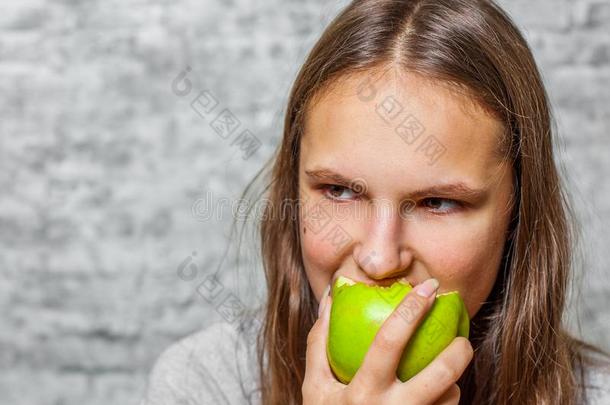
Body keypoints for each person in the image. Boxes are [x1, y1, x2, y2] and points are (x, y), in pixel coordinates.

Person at [140, 0, 610, 404]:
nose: (381, 259)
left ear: (517, 213)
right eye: (339, 191)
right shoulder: (206, 383)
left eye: (437, 202)